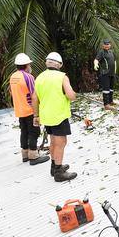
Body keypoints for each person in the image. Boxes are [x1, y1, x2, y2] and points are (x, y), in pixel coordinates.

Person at [33, 52, 77, 182]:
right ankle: (58, 172)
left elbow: (34, 98)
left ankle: (54, 166)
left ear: (47, 63)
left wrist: (36, 115)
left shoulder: (39, 77)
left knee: (53, 141)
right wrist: (74, 94)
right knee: (61, 142)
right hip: (59, 115)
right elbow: (70, 95)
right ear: (59, 64)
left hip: (46, 116)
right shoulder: (62, 76)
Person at [9, 53, 49, 165]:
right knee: (34, 132)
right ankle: (34, 156)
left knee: (24, 131)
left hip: (19, 110)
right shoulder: (28, 77)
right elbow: (34, 95)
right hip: (29, 109)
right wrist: (37, 113)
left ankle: (25, 154)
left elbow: (11, 92)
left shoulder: (13, 77)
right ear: (26, 65)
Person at [94, 38, 117, 109]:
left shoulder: (111, 52)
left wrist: (115, 70)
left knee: (111, 88)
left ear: (110, 45)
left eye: (108, 44)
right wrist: (96, 64)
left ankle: (110, 101)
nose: (106, 45)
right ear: (103, 45)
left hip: (112, 73)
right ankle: (106, 104)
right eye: (105, 44)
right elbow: (96, 59)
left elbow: (114, 61)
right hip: (105, 74)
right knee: (106, 89)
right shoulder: (101, 52)